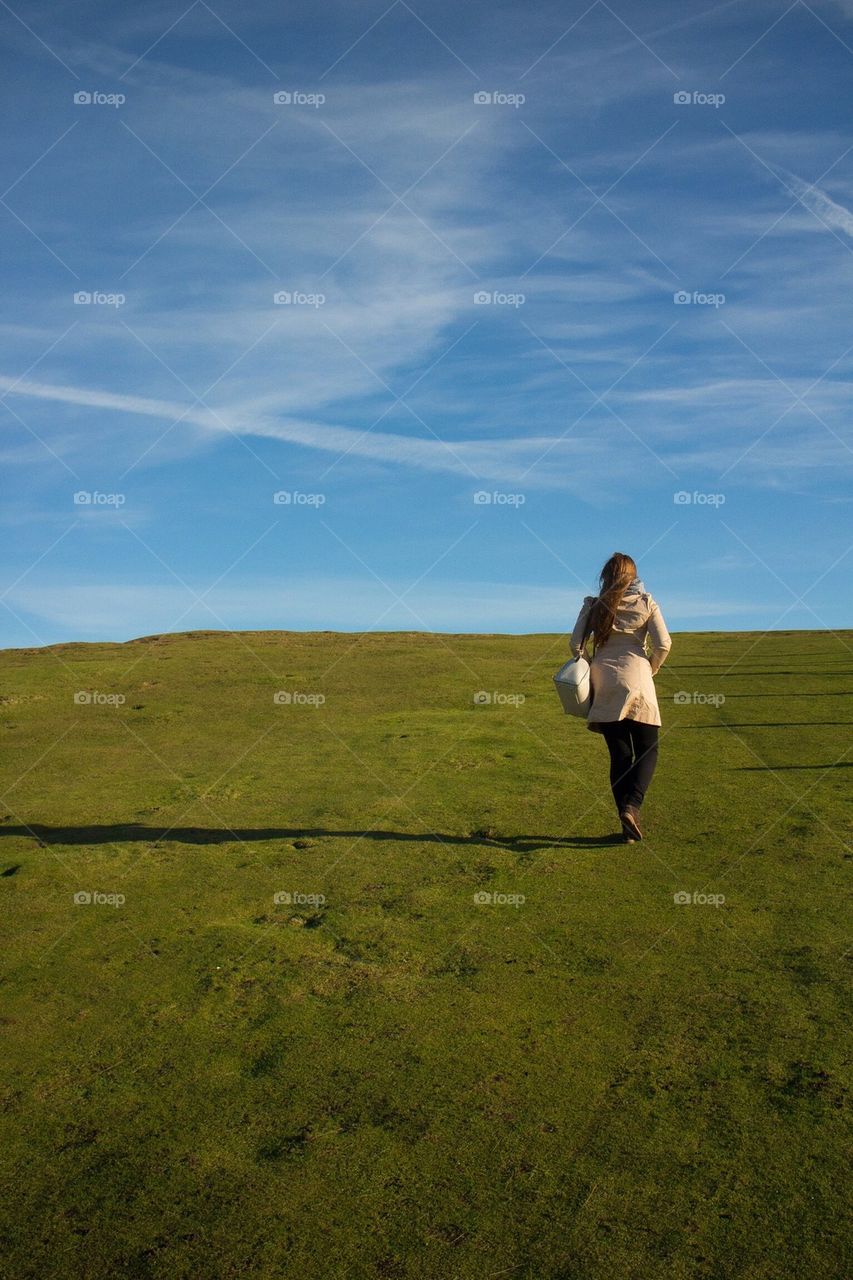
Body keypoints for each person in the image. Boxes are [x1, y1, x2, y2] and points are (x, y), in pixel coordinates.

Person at [570, 553, 672, 843]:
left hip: (604, 680)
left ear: (606, 575)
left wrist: (589, 666)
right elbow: (664, 644)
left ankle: (626, 826)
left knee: (620, 755)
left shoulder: (594, 605)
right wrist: (650, 668)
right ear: (633, 575)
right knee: (648, 749)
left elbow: (575, 644)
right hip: (638, 676)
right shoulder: (646, 602)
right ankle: (632, 807)